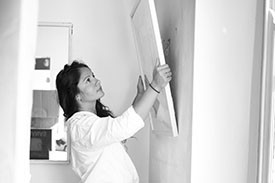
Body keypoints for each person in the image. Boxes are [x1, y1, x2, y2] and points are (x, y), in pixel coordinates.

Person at [55, 60, 172, 183]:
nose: (97, 81)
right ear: (77, 96)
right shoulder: (81, 126)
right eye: (88, 80)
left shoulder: (91, 121)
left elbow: (119, 134)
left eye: (93, 76)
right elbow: (123, 127)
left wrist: (141, 97)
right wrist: (155, 86)